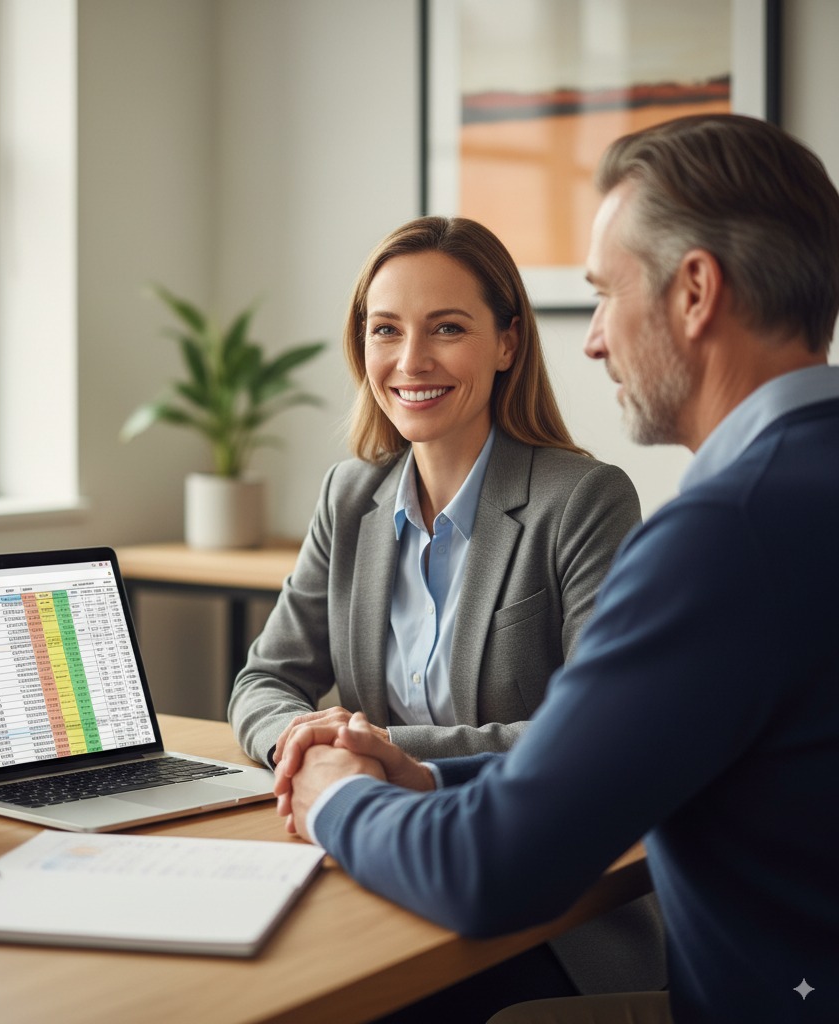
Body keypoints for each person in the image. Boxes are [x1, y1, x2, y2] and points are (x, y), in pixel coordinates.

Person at [275, 113, 839, 1024]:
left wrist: (339, 795)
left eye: (605, 294)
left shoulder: (726, 535)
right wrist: (426, 779)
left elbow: (493, 871)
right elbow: (618, 760)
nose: (593, 339)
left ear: (695, 291)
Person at [228, 215, 666, 1006]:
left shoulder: (583, 500)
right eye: (385, 329)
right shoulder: (349, 494)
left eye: (447, 329)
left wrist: (378, 747)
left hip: (540, 907)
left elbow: (592, 738)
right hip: (375, 866)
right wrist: (306, 744)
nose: (410, 361)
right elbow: (264, 678)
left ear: (507, 344)